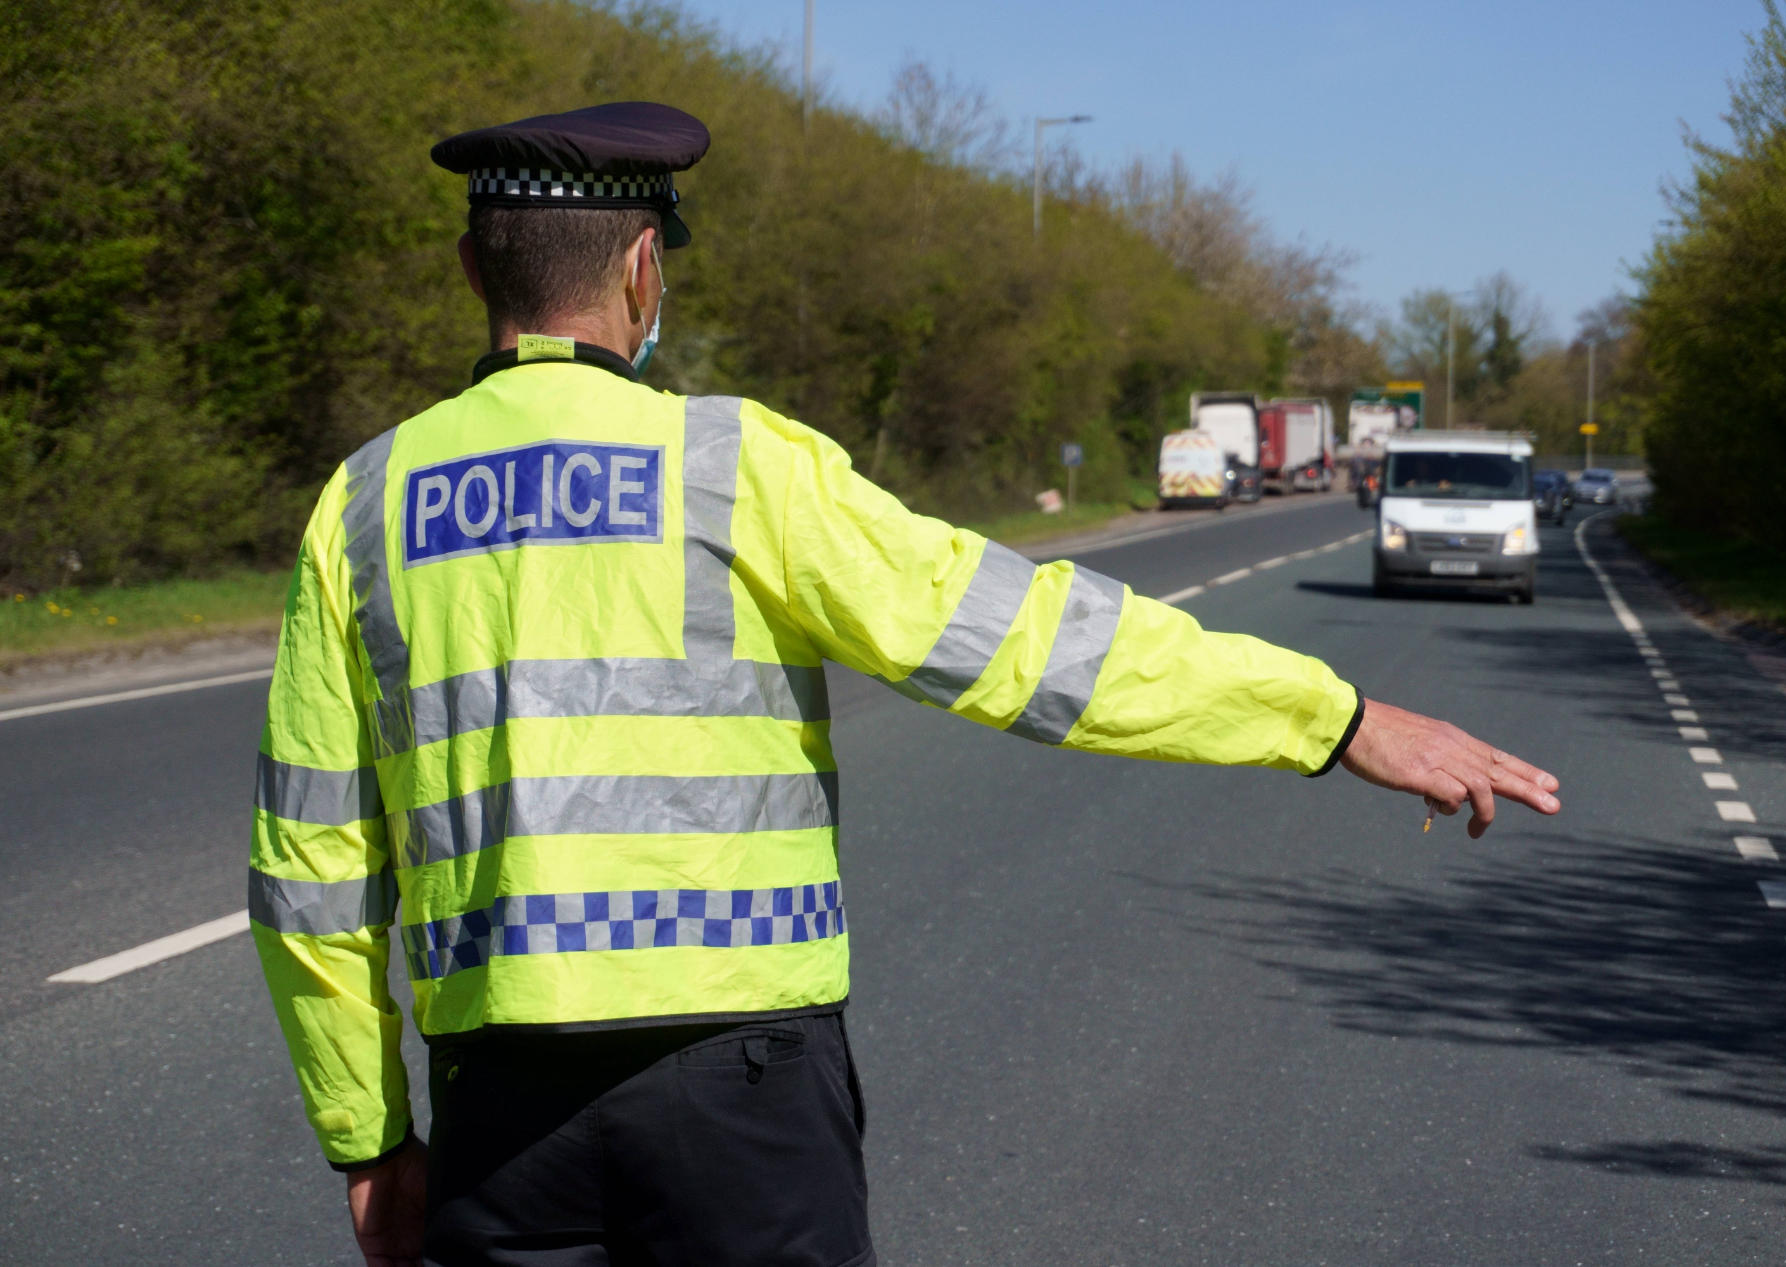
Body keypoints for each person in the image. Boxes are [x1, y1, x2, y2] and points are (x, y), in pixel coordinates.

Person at [248, 102, 1561, 1267]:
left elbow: (312, 868)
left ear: (474, 265)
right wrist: (1333, 718)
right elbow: (1033, 646)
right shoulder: (737, 467)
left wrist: (369, 1140)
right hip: (739, 1093)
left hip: (500, 1110)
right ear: (646, 268)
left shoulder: (361, 508)